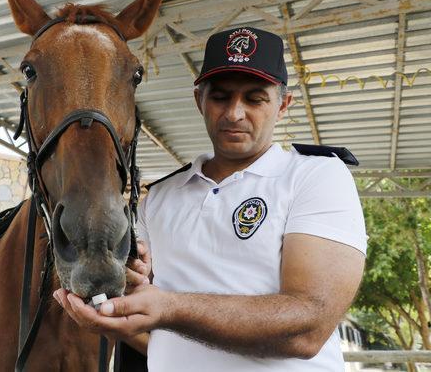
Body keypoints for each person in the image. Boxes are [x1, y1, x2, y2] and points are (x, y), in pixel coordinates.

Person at [53, 26, 367, 371]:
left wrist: (170, 308)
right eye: (220, 97)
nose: (234, 113)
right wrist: (117, 303)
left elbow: (308, 328)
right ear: (198, 99)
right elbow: (149, 324)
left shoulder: (315, 176)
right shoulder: (158, 198)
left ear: (283, 104)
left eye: (255, 98)